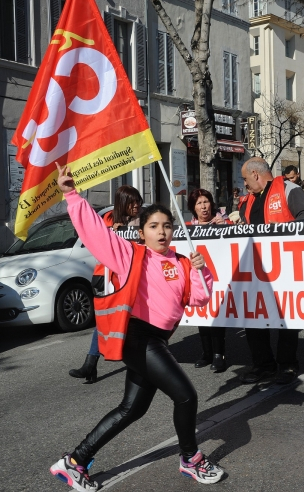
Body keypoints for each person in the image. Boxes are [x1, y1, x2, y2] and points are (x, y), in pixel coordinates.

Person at [51, 164, 222, 491]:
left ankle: (75, 462)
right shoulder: (131, 255)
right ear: (141, 232)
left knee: (132, 409)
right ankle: (191, 459)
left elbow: (199, 299)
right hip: (138, 337)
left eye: (168, 226)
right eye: (154, 226)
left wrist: (203, 271)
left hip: (157, 339)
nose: (162, 231)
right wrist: (72, 195)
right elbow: (95, 234)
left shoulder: (183, 262)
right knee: (186, 396)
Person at [238, 157, 304, 385]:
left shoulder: (290, 190)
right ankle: (263, 365)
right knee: (253, 318)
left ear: (255, 174)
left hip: (286, 269)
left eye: (245, 179)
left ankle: (287, 365)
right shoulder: (249, 200)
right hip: (257, 269)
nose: (244, 184)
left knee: (285, 320)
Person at [69, 185, 143, 383]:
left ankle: (142, 362)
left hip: (134, 277)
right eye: (132, 202)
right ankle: (90, 364)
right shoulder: (108, 219)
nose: (136, 205)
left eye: (138, 201)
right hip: (107, 277)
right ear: (122, 202)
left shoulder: (144, 219)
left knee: (133, 320)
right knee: (105, 319)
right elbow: (97, 242)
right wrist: (112, 233)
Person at [187, 188, 233, 372]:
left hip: (221, 276)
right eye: (199, 203)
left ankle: (218, 354)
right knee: (202, 317)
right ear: (193, 208)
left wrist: (226, 226)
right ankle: (206, 353)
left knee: (217, 316)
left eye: (206, 202)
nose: (203, 206)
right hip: (200, 278)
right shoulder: (188, 227)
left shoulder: (222, 221)